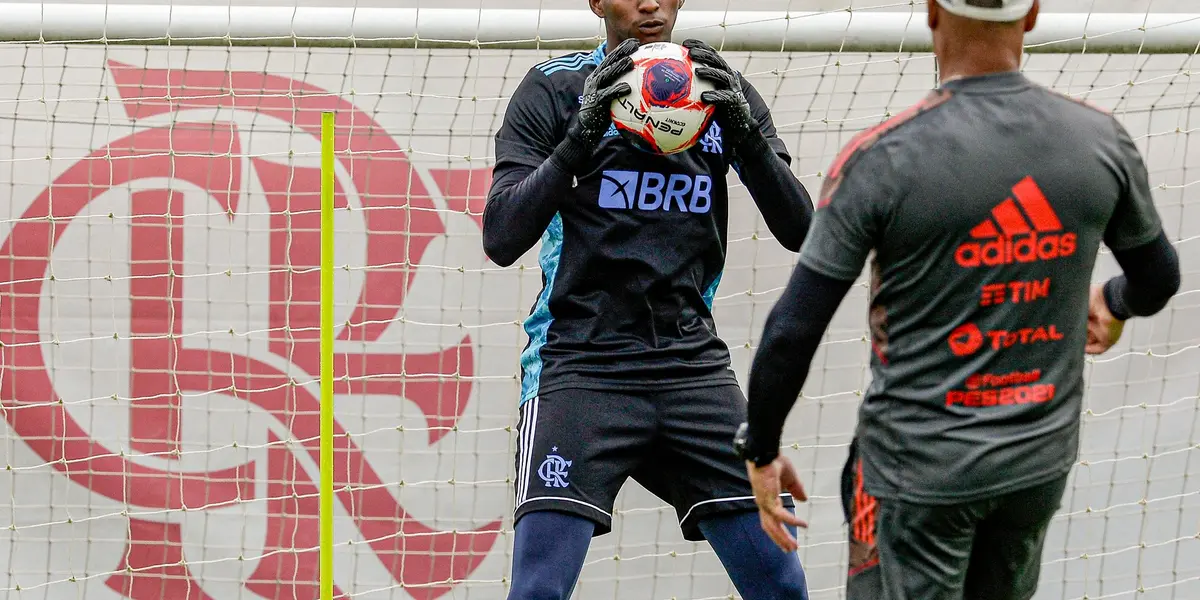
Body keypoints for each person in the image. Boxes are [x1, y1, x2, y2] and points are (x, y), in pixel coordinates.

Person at [731, 0, 1183, 599]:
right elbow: (1159, 278)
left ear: (932, 13)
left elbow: (792, 330)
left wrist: (761, 448)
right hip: (1035, 465)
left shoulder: (881, 159)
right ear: (1032, 16)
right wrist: (1113, 301)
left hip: (915, 475)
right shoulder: (1100, 140)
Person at [482, 0, 816, 597]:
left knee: (783, 586)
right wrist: (578, 141)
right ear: (596, 2)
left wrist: (744, 133)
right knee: (537, 592)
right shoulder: (555, 89)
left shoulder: (720, 90)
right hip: (579, 367)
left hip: (691, 370)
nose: (648, 3)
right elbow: (501, 237)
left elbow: (799, 229)